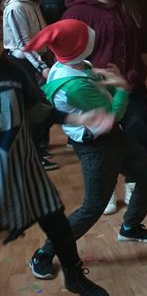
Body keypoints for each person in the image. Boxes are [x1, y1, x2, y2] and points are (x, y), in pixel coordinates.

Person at [26, 19, 147, 285]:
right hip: (96, 147)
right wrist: (122, 87)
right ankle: (44, 253)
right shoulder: (73, 85)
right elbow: (113, 114)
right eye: (87, 37)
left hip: (113, 138)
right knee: (92, 208)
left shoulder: (76, 65)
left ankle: (130, 227)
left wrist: (106, 81)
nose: (93, 37)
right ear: (78, 47)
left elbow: (100, 91)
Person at [1, 51, 112, 295]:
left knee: (56, 221)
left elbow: (36, 110)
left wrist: (78, 118)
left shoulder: (13, 70)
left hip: (24, 164)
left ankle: (74, 276)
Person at [63, 0, 147, 216]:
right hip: (98, 90)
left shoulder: (127, 6)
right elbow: (67, 49)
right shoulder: (77, 12)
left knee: (139, 138)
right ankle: (107, 192)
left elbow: (141, 40)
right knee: (104, 143)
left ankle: (134, 187)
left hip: (132, 85)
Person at [2, 0, 57, 170]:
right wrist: (42, 67)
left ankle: (41, 146)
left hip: (37, 60)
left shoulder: (32, 4)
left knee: (45, 104)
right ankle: (33, 154)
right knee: (35, 108)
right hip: (25, 63)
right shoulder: (16, 7)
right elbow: (24, 44)